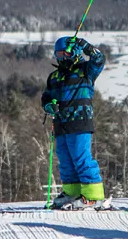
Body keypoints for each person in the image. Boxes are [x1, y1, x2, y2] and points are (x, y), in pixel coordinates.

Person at [41, 36, 106, 210]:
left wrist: (86, 46)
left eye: (66, 53)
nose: (62, 57)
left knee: (80, 157)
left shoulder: (85, 71)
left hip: (80, 122)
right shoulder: (54, 77)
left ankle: (93, 195)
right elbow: (47, 96)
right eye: (59, 54)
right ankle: (72, 191)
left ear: (75, 53)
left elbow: (99, 59)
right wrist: (48, 105)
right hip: (61, 123)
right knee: (66, 160)